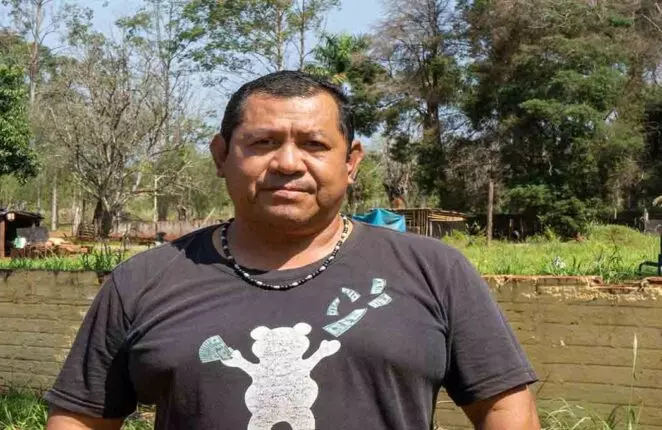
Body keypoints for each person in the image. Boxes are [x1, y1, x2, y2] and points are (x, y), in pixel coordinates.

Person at [45, 70, 540, 430]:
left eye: (314, 145)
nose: (287, 163)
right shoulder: (144, 281)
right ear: (222, 155)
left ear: (351, 162)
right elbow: (81, 419)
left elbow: (505, 409)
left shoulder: (434, 270)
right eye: (262, 142)